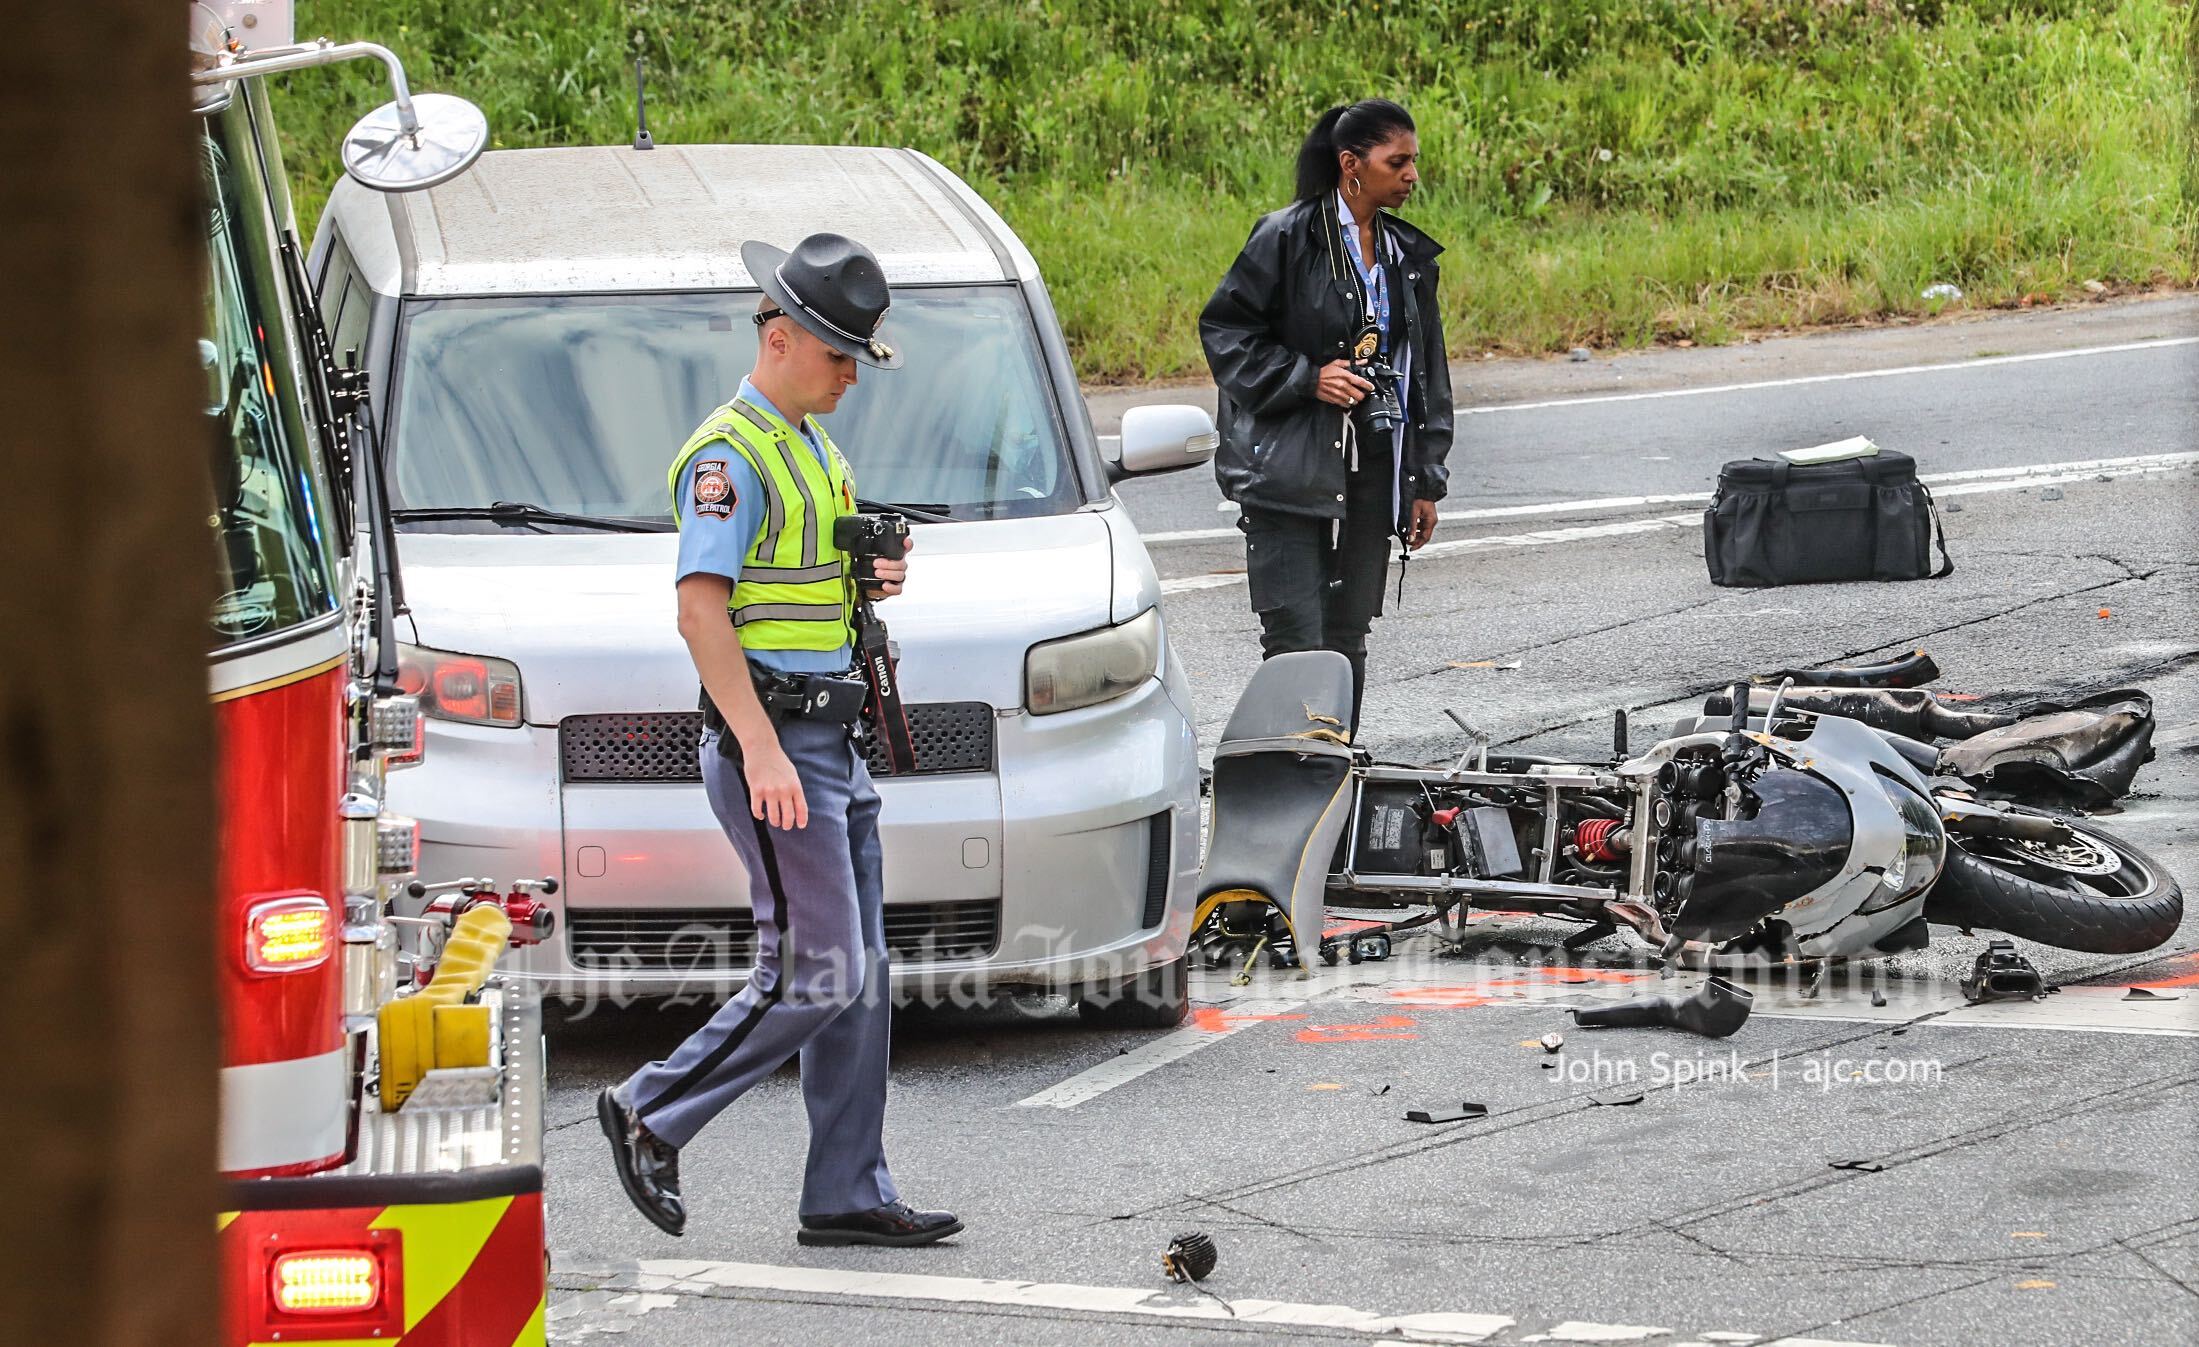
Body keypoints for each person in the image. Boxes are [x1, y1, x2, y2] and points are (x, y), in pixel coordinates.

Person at [598, 232, 960, 1248]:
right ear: (782, 335)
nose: (852, 374)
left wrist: (870, 578)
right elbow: (701, 614)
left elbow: (785, 590)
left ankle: (846, 1189)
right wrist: (759, 752)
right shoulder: (730, 455)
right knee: (818, 970)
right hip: (777, 744)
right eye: (839, 353)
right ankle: (647, 1113)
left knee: (858, 978)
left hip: (825, 741)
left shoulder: (808, 444)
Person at [1199, 99, 1455, 730]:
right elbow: (1226, 331)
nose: (1411, 175)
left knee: (1348, 636)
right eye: (1397, 162)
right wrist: (1306, 379)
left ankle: (1339, 770)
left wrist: (1424, 480)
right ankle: (1293, 776)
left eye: (1413, 161)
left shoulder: (1406, 254)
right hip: (1287, 474)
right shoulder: (1286, 235)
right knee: (1295, 639)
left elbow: (1426, 370)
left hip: (1374, 467)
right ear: (1352, 165)